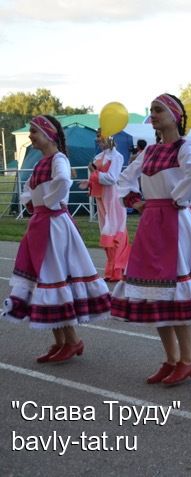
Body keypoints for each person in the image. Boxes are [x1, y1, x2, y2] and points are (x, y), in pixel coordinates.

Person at [111, 94, 191, 385]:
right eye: (152, 110)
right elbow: (125, 179)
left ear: (176, 115)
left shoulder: (185, 147)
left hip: (175, 221)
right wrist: (137, 202)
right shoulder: (150, 150)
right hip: (153, 222)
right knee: (155, 292)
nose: (154, 114)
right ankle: (171, 359)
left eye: (159, 109)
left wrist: (177, 199)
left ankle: (187, 358)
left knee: (176, 290)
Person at [2, 115, 111, 362]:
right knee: (46, 281)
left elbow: (64, 180)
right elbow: (30, 189)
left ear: (49, 135)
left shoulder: (58, 159)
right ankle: (61, 341)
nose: (30, 136)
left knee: (53, 278)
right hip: (43, 225)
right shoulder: (43, 162)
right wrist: (33, 202)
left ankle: (71, 341)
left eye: (34, 131)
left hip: (53, 226)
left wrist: (49, 203)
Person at [81, 130, 131, 282]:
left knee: (115, 230)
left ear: (109, 138)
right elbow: (97, 176)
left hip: (113, 197)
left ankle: (119, 269)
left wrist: (94, 175)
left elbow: (111, 178)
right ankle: (111, 270)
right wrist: (89, 182)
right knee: (105, 231)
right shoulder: (98, 157)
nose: (97, 140)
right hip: (101, 197)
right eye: (97, 137)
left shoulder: (117, 157)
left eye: (100, 137)